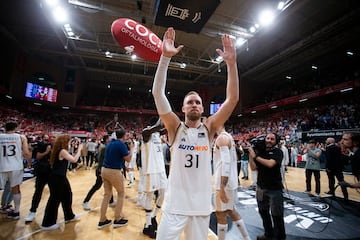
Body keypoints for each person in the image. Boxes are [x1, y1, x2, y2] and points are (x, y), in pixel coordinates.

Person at [152, 27, 239, 240]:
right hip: (174, 206)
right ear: (182, 109)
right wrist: (164, 58)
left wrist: (231, 64)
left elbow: (232, 100)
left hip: (200, 207)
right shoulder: (174, 126)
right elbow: (157, 93)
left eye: (198, 102)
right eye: (189, 102)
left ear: (202, 108)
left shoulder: (209, 128)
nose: (194, 105)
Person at [213, 126, 250, 240]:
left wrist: (222, 186)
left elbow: (226, 164)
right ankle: (246, 238)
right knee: (230, 210)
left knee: (220, 213)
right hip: (231, 181)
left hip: (224, 182)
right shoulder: (228, 137)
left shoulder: (222, 138)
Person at [248, 133, 286, 240]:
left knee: (277, 215)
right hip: (261, 188)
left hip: (274, 189)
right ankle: (268, 235)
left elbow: (270, 164)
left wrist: (255, 156)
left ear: (276, 141)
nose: (269, 140)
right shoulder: (261, 153)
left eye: (272, 139)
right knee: (263, 213)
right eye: (268, 138)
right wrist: (251, 156)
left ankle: (279, 237)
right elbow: (253, 168)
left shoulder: (278, 152)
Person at [41, 134, 83, 230]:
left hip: (60, 177)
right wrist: (80, 149)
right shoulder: (62, 151)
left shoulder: (60, 150)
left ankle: (69, 216)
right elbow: (74, 160)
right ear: (65, 142)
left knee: (67, 195)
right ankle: (47, 223)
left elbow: (70, 155)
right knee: (54, 200)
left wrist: (74, 145)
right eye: (69, 141)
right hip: (57, 178)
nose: (69, 143)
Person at [98, 128, 132, 229]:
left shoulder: (110, 143)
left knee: (107, 195)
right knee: (121, 193)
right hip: (114, 171)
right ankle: (117, 219)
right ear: (124, 136)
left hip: (104, 170)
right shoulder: (121, 144)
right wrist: (132, 149)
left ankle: (102, 220)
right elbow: (128, 159)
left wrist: (125, 167)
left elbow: (116, 158)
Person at [140, 117, 168, 238]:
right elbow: (157, 127)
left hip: (160, 169)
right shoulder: (146, 132)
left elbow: (165, 129)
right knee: (149, 196)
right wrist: (162, 115)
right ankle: (148, 225)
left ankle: (153, 216)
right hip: (150, 170)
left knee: (164, 194)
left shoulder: (158, 134)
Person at [0, 121, 31, 220]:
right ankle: (16, 212)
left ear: (5, 128)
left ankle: (3, 207)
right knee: (15, 189)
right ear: (16, 128)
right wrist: (29, 163)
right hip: (15, 166)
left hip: (1, 166)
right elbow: (26, 152)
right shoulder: (21, 137)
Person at [82, 134, 114, 211]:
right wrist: (100, 170)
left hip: (104, 169)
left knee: (109, 185)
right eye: (110, 139)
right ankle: (85, 201)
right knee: (97, 186)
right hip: (101, 170)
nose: (112, 140)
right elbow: (100, 161)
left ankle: (111, 201)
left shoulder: (106, 147)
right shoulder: (104, 148)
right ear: (106, 140)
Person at [25, 135, 52, 223]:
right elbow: (37, 156)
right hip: (42, 171)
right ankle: (32, 211)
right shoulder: (40, 146)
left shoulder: (53, 146)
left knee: (57, 194)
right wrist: (47, 151)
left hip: (52, 172)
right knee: (38, 192)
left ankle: (65, 213)